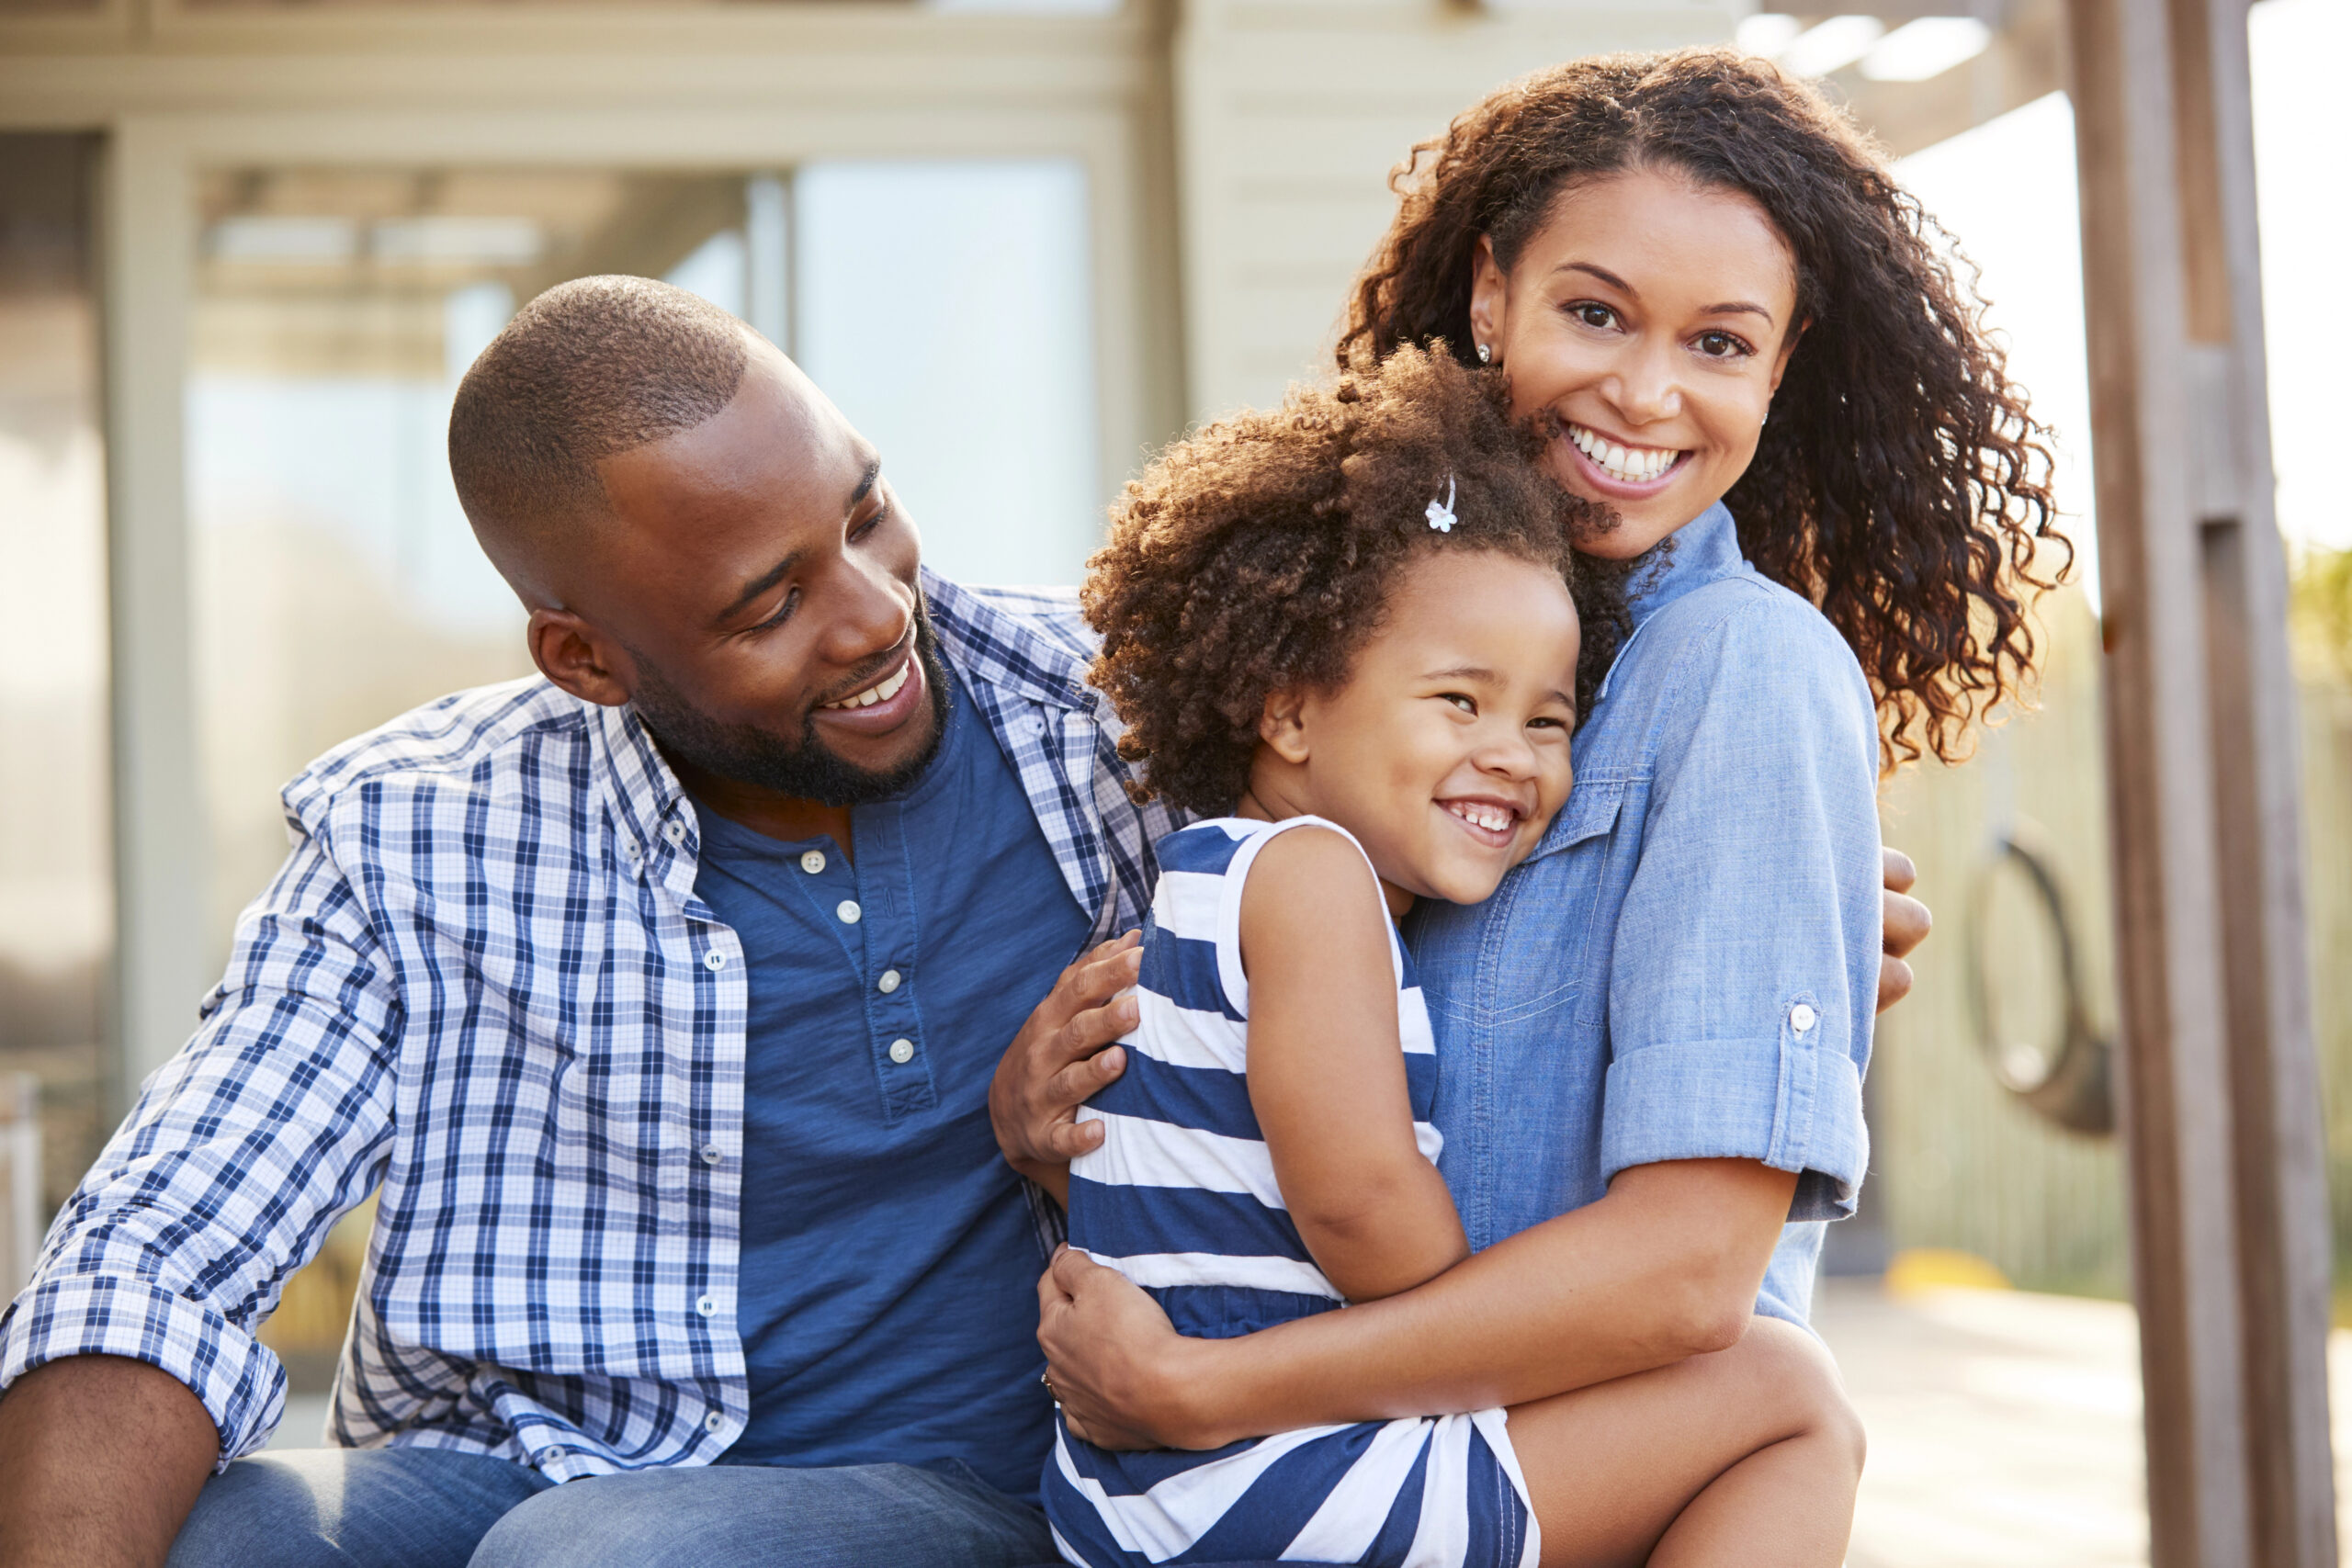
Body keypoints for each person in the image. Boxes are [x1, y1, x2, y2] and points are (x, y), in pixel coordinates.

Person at [0, 274, 1924, 1568]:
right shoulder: (415, 836)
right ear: (586, 654)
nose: (867, 613)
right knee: (226, 1525)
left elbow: (1432, 829)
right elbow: (155, 1255)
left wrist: (1759, 924)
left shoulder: (1108, 715)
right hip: (524, 1456)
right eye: (766, 603)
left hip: (988, 1485)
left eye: (868, 514)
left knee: (591, 1557)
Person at [1007, 51, 2056, 1562]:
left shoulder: (1745, 673)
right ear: (1492, 295)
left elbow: (1688, 1282)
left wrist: (1211, 1391)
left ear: (1782, 363)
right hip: (1337, 1478)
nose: (1644, 389)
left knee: (1788, 1395)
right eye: (1593, 310)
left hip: (1451, 1462)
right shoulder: (1357, 646)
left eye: (1720, 340)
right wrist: (1039, 1109)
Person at [1045, 345, 1861, 1568]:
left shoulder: (1205, 886)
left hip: (1149, 1488)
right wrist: (1480, 1295)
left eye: (1548, 718)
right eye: (1459, 702)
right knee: (1786, 1396)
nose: (1515, 755)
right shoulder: (1313, 882)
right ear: (1292, 710)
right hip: (1263, 1485)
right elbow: (1361, 1204)